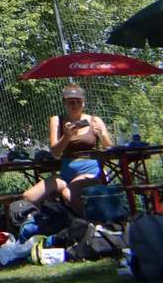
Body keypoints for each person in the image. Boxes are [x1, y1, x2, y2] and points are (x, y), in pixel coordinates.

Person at [24, 82, 113, 215]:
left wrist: (101, 135)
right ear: (64, 103)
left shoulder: (95, 120)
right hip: (66, 173)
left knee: (68, 193)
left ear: (83, 102)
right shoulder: (57, 120)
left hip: (91, 172)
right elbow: (55, 152)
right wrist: (66, 136)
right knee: (28, 197)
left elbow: (111, 149)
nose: (75, 105)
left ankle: (92, 223)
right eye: (71, 102)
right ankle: (46, 224)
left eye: (78, 102)